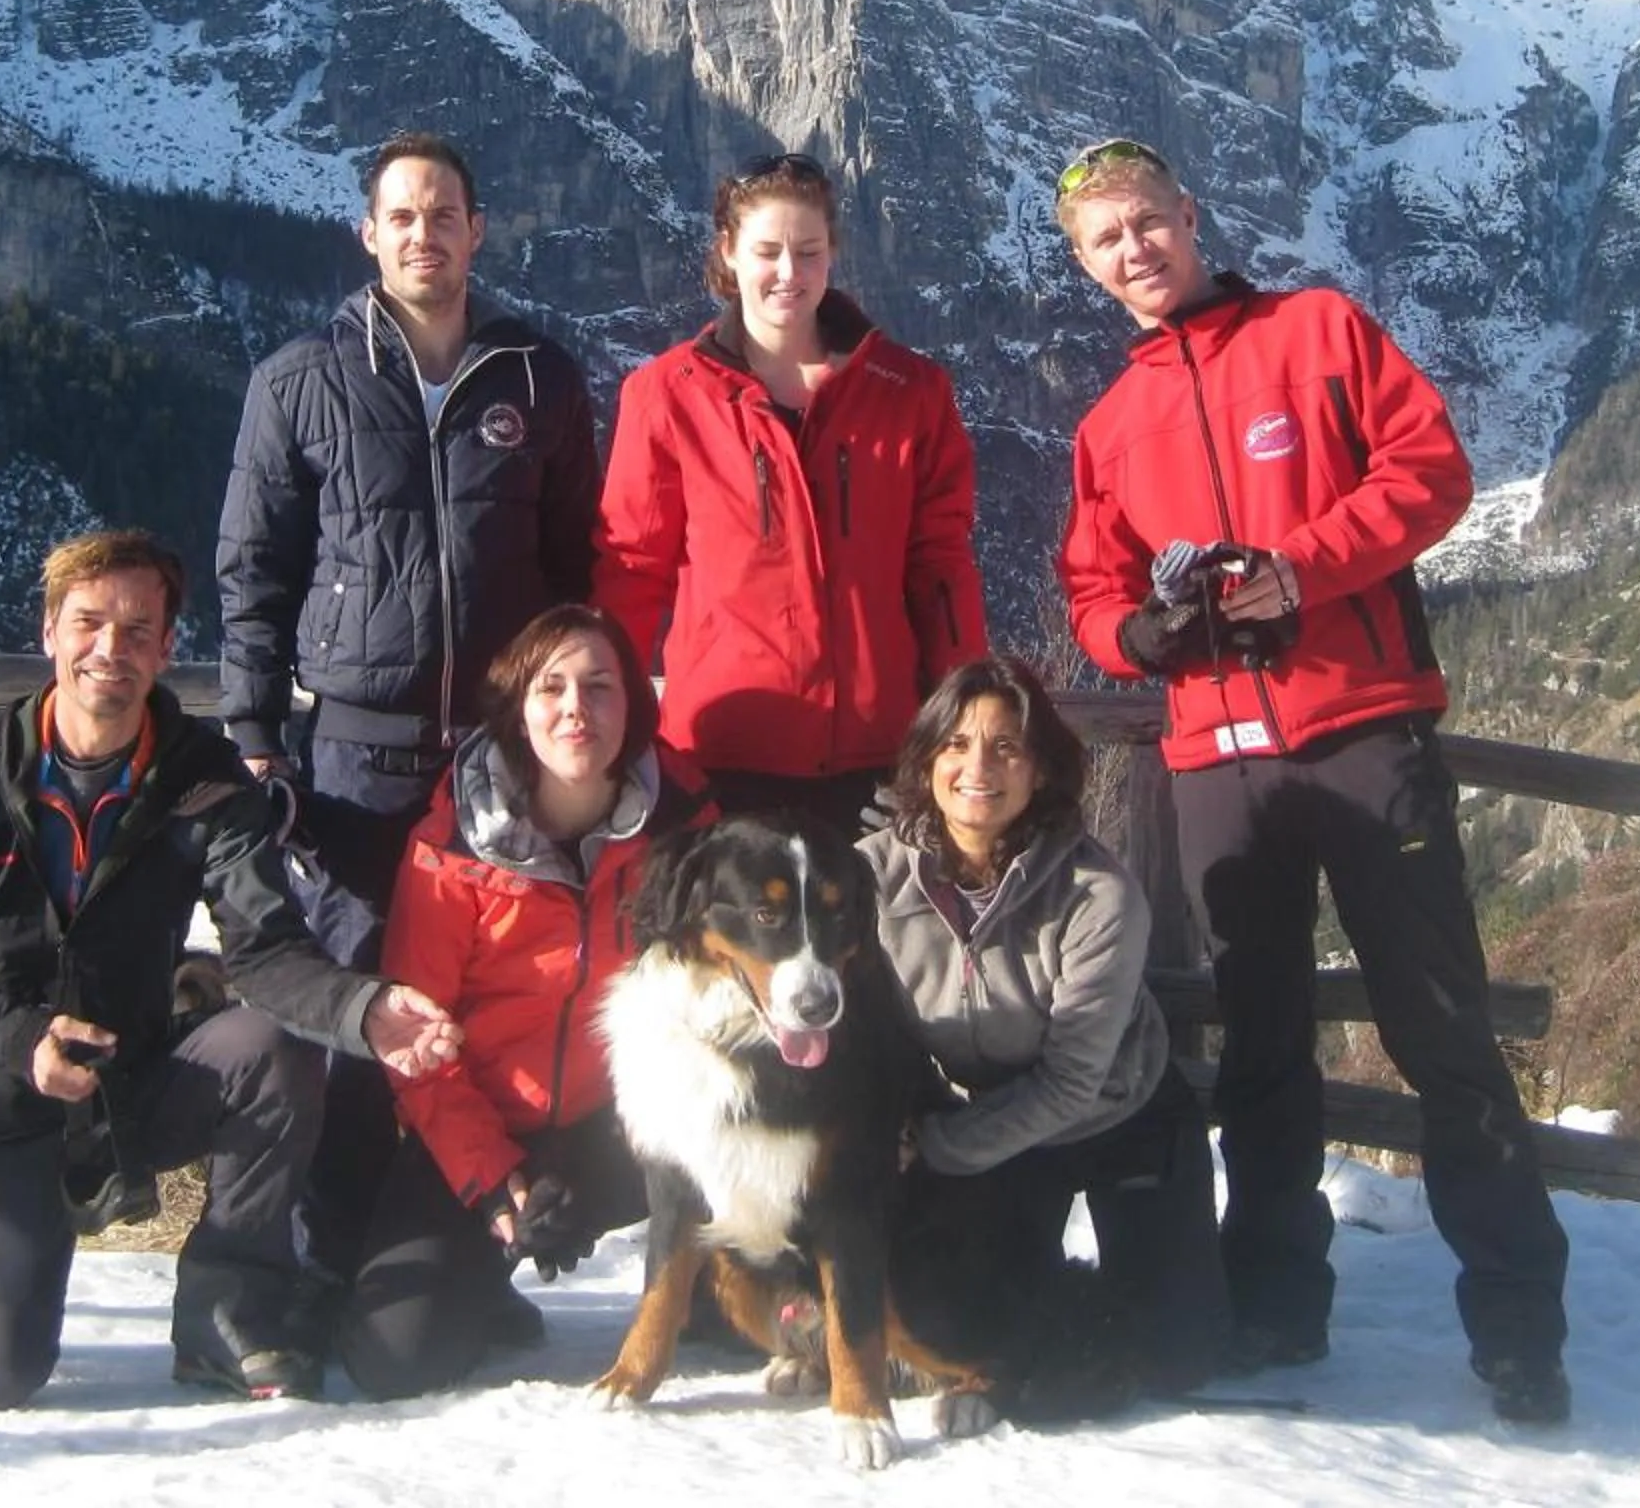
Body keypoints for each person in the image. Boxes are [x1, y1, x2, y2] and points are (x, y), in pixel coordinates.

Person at [1051, 138, 1573, 1426]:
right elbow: (1092, 589)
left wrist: (1303, 566)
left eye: (1148, 222)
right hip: (1216, 763)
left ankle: (1519, 1326)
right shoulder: (1110, 423)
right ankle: (1277, 1307)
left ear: (1191, 215)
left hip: (1361, 731)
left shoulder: (1317, 331)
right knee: (1264, 1050)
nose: (1136, 250)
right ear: (1083, 265)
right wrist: (1139, 641)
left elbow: (1431, 469)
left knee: (1442, 1029)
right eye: (1106, 239)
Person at [0, 529, 462, 1411]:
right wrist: (20, 1040)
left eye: (138, 630)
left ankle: (227, 1317)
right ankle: (1, 1245)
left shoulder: (203, 782)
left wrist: (363, 1010)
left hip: (131, 1084)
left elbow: (265, 947)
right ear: (49, 632)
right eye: (89, 623)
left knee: (272, 1052)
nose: (111, 649)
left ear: (167, 649)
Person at [215, 132, 601, 1282]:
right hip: (353, 764)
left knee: (486, 1013)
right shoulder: (300, 379)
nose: (424, 234)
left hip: (498, 763)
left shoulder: (541, 379)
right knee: (352, 1015)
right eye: (403, 216)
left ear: (477, 231)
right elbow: (254, 572)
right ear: (368, 234)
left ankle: (449, 1251)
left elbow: (579, 566)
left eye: (444, 215)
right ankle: (316, 1267)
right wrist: (252, 736)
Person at [339, 604, 706, 1399]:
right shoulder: (454, 848)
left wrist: (590, 1157)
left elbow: (710, 1009)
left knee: (721, 1313)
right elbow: (417, 1043)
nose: (577, 707)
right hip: (485, 1121)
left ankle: (715, 1280)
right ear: (519, 709)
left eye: (601, 686)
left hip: (624, 1124)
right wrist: (493, 1177)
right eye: (553, 687)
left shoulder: (684, 830)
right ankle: (485, 1270)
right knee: (395, 1362)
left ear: (632, 706)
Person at [865, 655, 1229, 1416]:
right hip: (989, 1120)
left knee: (1177, 1357)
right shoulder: (870, 877)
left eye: (1006, 748)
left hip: (1119, 1114)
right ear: (927, 757)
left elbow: (1071, 1083)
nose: (977, 767)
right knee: (965, 1324)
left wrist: (936, 1145)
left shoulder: (1098, 896)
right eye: (957, 744)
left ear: (1041, 771)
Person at [596, 152, 988, 828]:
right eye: (767, 251)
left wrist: (964, 722)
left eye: (807, 251)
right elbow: (632, 571)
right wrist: (612, 725)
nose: (788, 272)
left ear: (833, 251)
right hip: (721, 755)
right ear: (730, 252)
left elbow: (941, 571)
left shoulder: (911, 392)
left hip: (879, 757)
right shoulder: (667, 396)